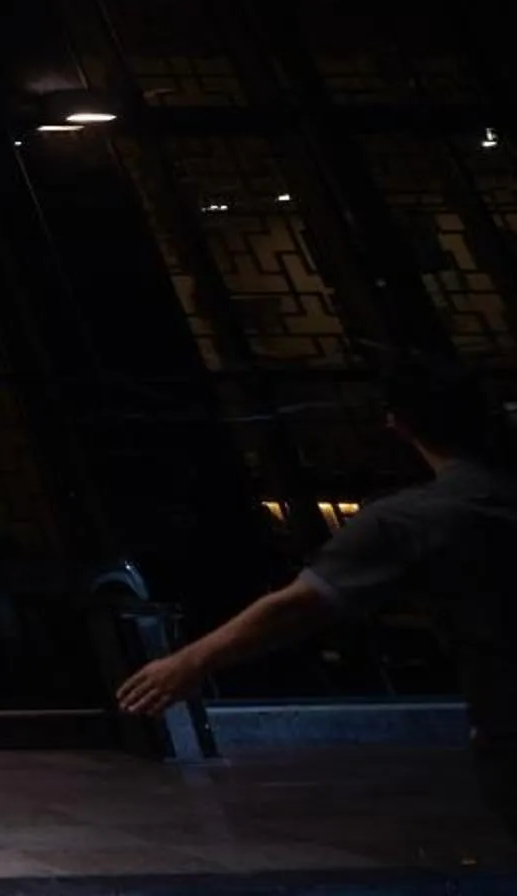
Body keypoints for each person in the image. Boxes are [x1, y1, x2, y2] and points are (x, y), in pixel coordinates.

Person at [117, 354, 517, 837]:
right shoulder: (455, 505)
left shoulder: (414, 519)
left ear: (398, 424)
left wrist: (189, 663)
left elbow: (298, 606)